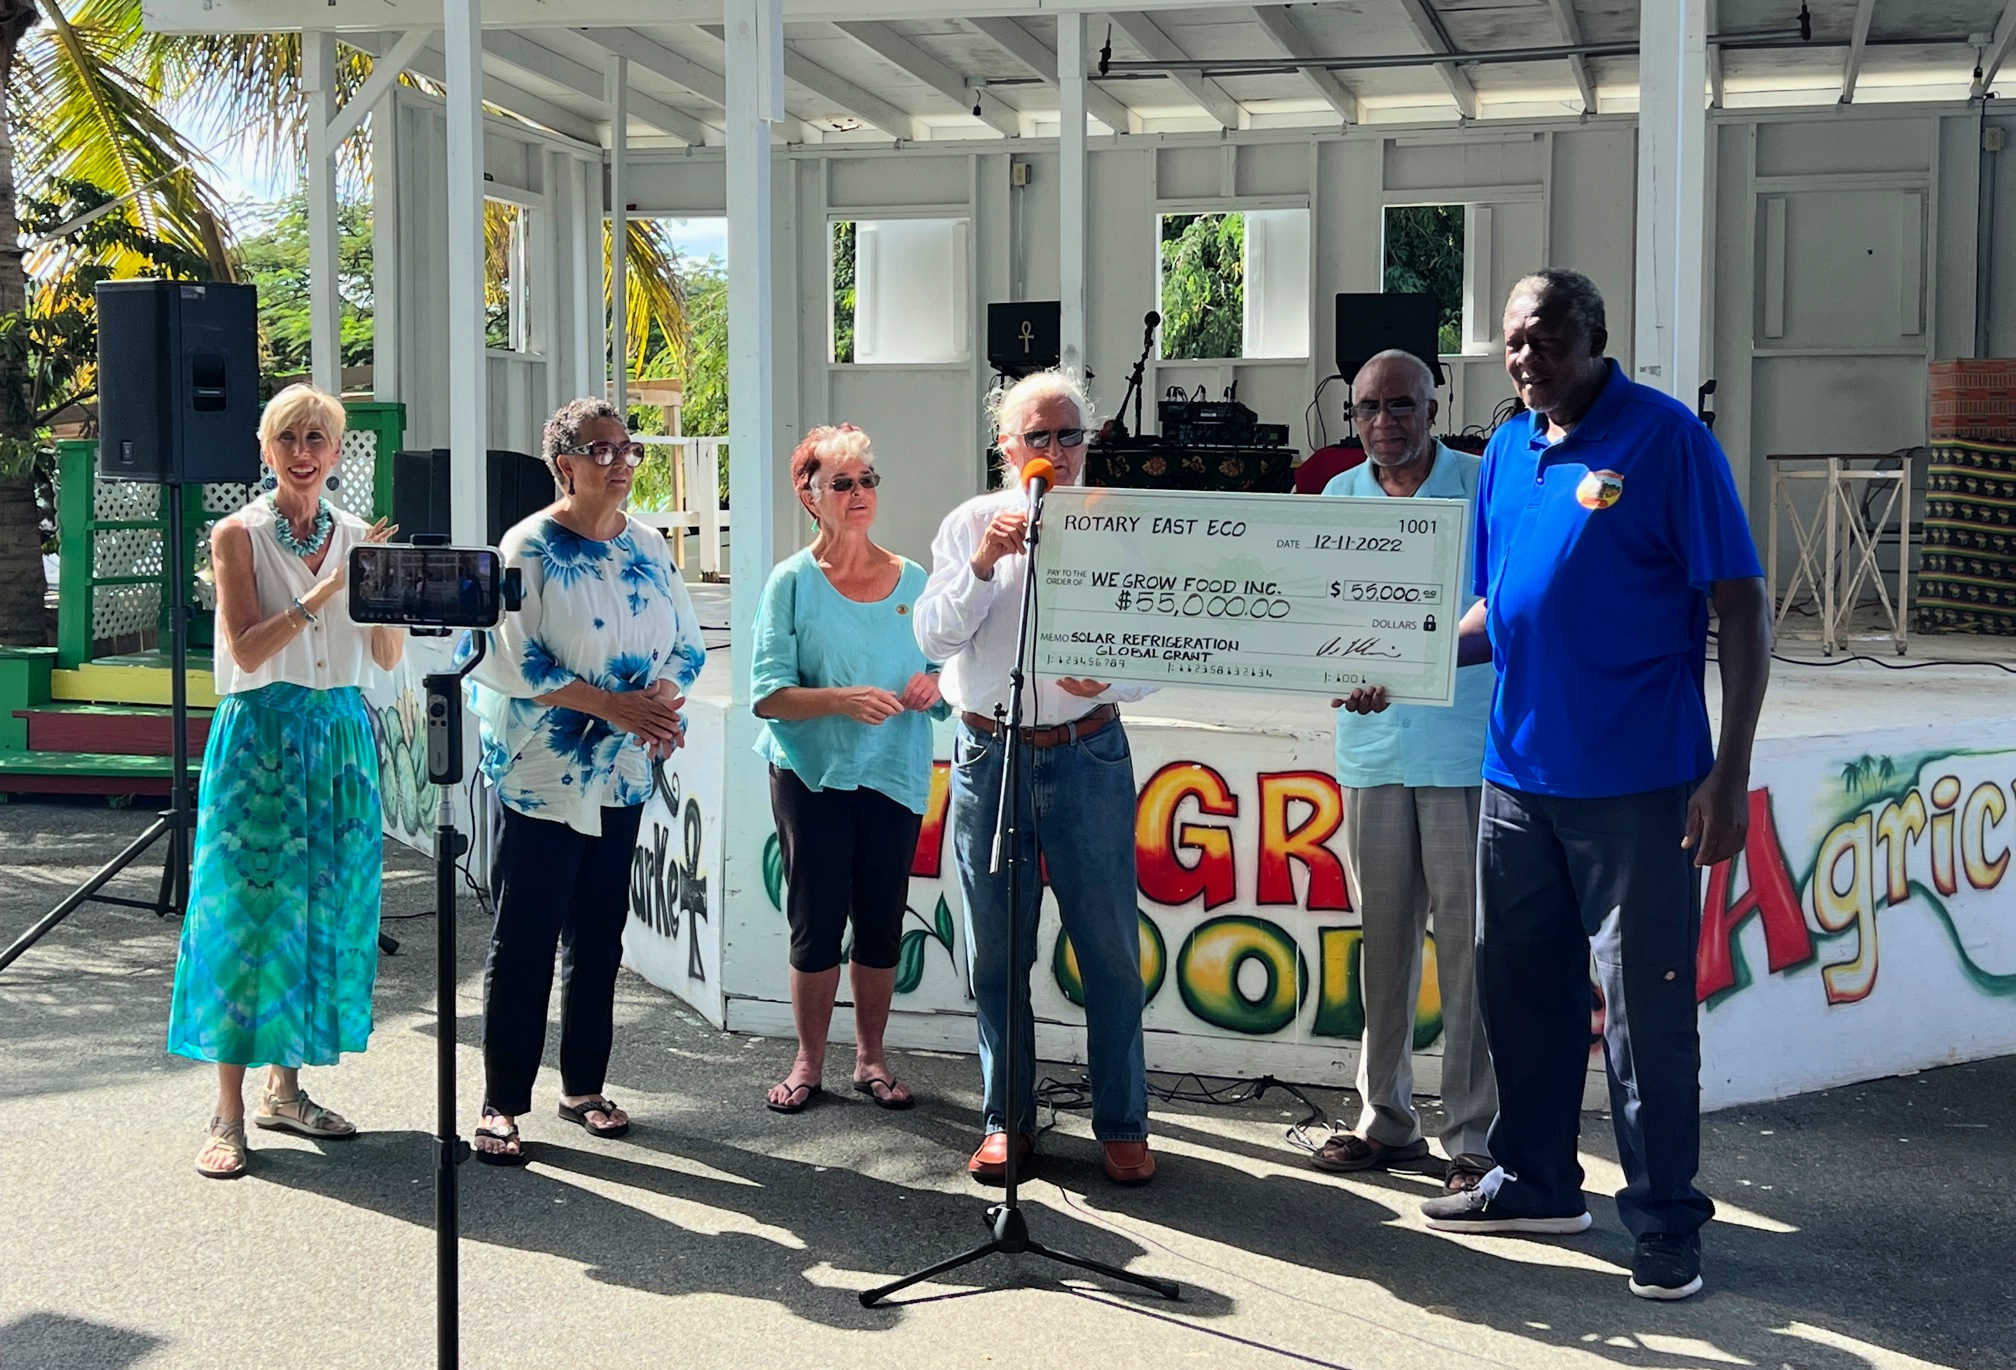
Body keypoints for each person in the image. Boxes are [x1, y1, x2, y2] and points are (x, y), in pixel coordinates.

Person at [1348, 270, 1770, 1301]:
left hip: (1640, 785)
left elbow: (1742, 607)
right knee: (1522, 993)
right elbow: (1495, 611)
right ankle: (1537, 1180)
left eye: (1543, 338)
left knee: (1644, 1015)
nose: (1524, 358)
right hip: (1514, 780)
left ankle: (1664, 1218)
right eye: (1511, 342)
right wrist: (1403, 660)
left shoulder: (1666, 440)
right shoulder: (1507, 450)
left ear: (1594, 337)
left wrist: (1729, 772)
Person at [914, 369, 1156, 1187]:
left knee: (1109, 949)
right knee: (996, 952)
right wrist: (984, 562)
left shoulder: (1123, 525)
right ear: (1006, 448)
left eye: (1069, 435)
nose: (1056, 450)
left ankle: (1122, 1123)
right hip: (992, 752)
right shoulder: (969, 523)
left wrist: (1113, 680)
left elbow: (1164, 645)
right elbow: (933, 639)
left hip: (1088, 750)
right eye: (1038, 437)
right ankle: (1004, 1121)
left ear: (1089, 442)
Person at [462, 397, 707, 1165]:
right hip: (544, 771)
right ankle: (503, 1103)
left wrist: (657, 704)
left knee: (600, 934)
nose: (621, 462)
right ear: (564, 464)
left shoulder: (648, 544)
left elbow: (688, 646)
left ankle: (583, 1088)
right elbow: (514, 659)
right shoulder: (527, 546)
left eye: (627, 448)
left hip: (623, 770)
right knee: (526, 937)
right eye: (602, 450)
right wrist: (613, 706)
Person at [169, 383, 403, 1179]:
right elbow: (245, 647)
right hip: (261, 734)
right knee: (246, 916)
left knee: (323, 911)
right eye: (288, 439)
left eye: (317, 439)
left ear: (337, 452)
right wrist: (323, 594)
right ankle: (226, 1110)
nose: (303, 453)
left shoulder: (358, 535)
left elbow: (383, 656)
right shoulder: (236, 533)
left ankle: (286, 1090)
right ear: (266, 450)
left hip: (338, 736)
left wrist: (387, 595)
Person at [1314, 349, 1497, 1193]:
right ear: (1350, 416)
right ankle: (1384, 1120)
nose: (1384, 422)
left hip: (1462, 747)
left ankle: (1474, 1137)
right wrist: (1326, 664)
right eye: (1367, 408)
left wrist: (1419, 659)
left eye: (1401, 405)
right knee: (1382, 947)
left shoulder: (1481, 486)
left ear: (1434, 407)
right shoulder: (1336, 496)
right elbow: (1315, 611)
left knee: (1468, 951)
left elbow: (1500, 600)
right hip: (1374, 749)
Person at [750, 424, 947, 1115]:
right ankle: (808, 1061)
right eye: (842, 483)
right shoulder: (791, 583)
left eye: (867, 479)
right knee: (815, 921)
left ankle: (871, 1058)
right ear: (810, 496)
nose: (859, 492)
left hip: (894, 771)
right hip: (812, 776)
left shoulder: (914, 579)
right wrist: (840, 700)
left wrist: (934, 686)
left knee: (882, 920)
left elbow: (944, 672)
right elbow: (767, 694)